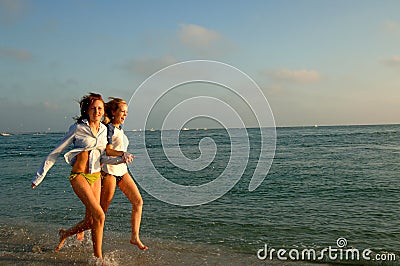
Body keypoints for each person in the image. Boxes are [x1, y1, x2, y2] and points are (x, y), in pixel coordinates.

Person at [31, 93, 129, 259]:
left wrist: (120, 158)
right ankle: (98, 259)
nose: (97, 111)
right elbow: (56, 151)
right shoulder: (77, 128)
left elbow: (102, 157)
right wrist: (39, 176)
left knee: (91, 221)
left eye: (100, 108)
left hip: (96, 176)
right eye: (93, 108)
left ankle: (65, 234)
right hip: (79, 176)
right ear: (87, 110)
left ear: (104, 111)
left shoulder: (104, 130)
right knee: (100, 215)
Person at [83, 97, 148, 250]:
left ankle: (134, 236)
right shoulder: (110, 128)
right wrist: (122, 153)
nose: (125, 115)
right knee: (101, 211)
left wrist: (123, 156)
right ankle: (77, 232)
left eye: (126, 112)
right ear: (113, 112)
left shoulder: (119, 128)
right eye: (122, 111)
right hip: (109, 173)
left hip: (122, 172)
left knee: (138, 202)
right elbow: (108, 150)